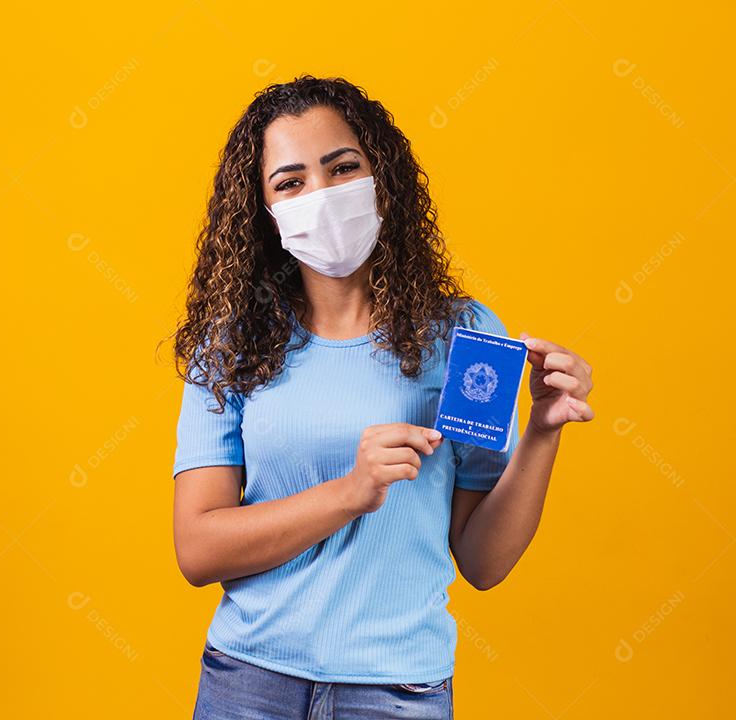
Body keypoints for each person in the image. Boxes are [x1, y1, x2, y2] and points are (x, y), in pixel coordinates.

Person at [166, 75, 595, 720]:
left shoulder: (468, 337)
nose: (323, 194)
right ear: (263, 210)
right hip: (247, 686)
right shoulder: (231, 346)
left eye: (343, 167)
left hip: (398, 694)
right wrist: (350, 491)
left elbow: (482, 562)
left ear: (381, 177)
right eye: (291, 181)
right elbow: (198, 550)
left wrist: (541, 431)